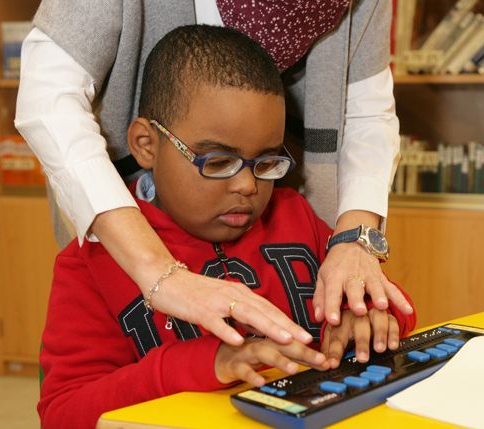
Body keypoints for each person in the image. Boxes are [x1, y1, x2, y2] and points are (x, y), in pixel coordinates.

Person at [38, 25, 416, 429]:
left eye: (267, 162)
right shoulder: (91, 261)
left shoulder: (294, 214)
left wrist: (368, 319)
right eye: (217, 162)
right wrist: (210, 364)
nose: (247, 186)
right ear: (147, 145)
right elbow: (64, 413)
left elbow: (381, 300)